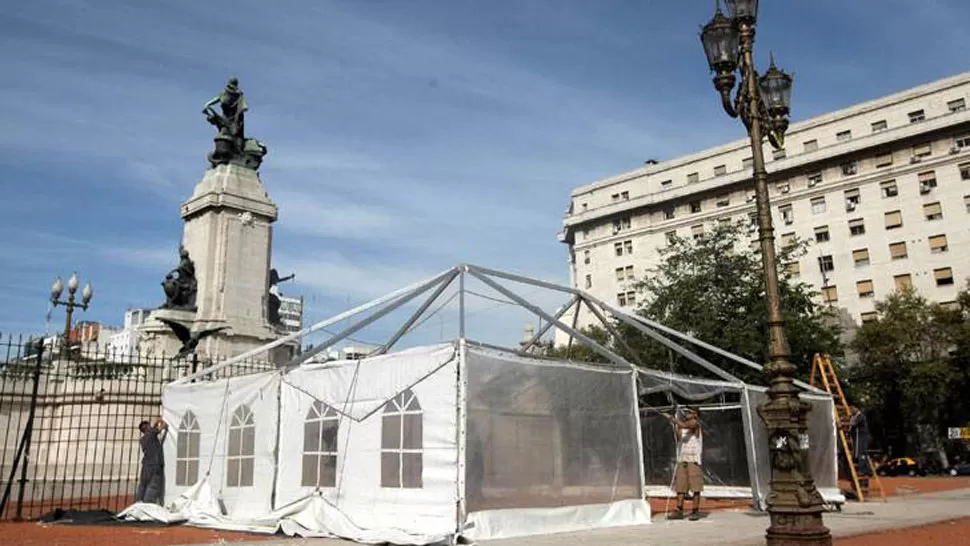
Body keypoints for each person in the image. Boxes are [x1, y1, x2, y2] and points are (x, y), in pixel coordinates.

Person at [665, 406, 703, 521]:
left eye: (689, 412)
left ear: (695, 414)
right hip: (682, 458)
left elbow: (687, 425)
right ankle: (679, 510)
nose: (686, 414)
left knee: (695, 486)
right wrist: (675, 424)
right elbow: (679, 437)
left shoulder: (696, 424)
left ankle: (695, 511)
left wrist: (673, 419)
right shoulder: (682, 425)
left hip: (694, 460)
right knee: (680, 486)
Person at [136, 419, 168, 505]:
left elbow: (153, 431)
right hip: (154, 464)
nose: (151, 427)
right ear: (146, 427)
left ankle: (138, 504)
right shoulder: (151, 433)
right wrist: (164, 423)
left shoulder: (143, 439)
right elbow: (161, 427)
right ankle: (147, 506)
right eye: (149, 426)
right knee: (152, 486)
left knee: (143, 485)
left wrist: (155, 424)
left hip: (146, 465)